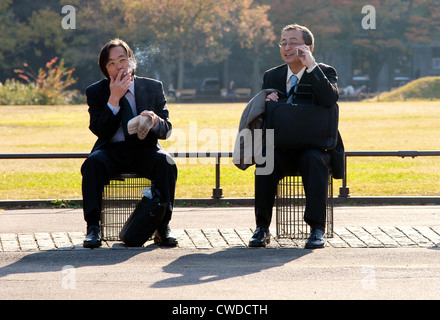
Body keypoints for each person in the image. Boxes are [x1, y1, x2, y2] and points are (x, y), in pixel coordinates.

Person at [249, 24, 345, 249]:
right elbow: (265, 114)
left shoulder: (324, 71)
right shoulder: (272, 75)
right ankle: (262, 228)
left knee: (313, 161)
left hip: (315, 146)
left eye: (293, 42)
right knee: (265, 160)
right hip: (281, 146)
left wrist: (310, 66)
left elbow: (330, 99)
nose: (287, 47)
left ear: (308, 47)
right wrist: (265, 100)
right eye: (283, 43)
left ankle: (316, 229)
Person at [81, 39, 178, 248]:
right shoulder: (96, 92)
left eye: (122, 60)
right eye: (112, 63)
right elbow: (99, 130)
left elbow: (167, 130)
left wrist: (153, 120)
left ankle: (163, 227)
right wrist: (113, 100)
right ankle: (93, 228)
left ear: (131, 61)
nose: (119, 67)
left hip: (145, 149)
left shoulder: (152, 87)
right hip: (111, 150)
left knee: (166, 163)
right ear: (105, 69)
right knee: (93, 164)